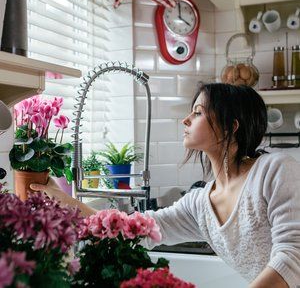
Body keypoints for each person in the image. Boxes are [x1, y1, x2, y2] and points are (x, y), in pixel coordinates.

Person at [30, 83, 300, 288]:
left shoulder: (274, 170)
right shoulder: (200, 203)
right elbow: (134, 230)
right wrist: (64, 200)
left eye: (197, 112)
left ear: (231, 126)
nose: (185, 120)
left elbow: (292, 258)